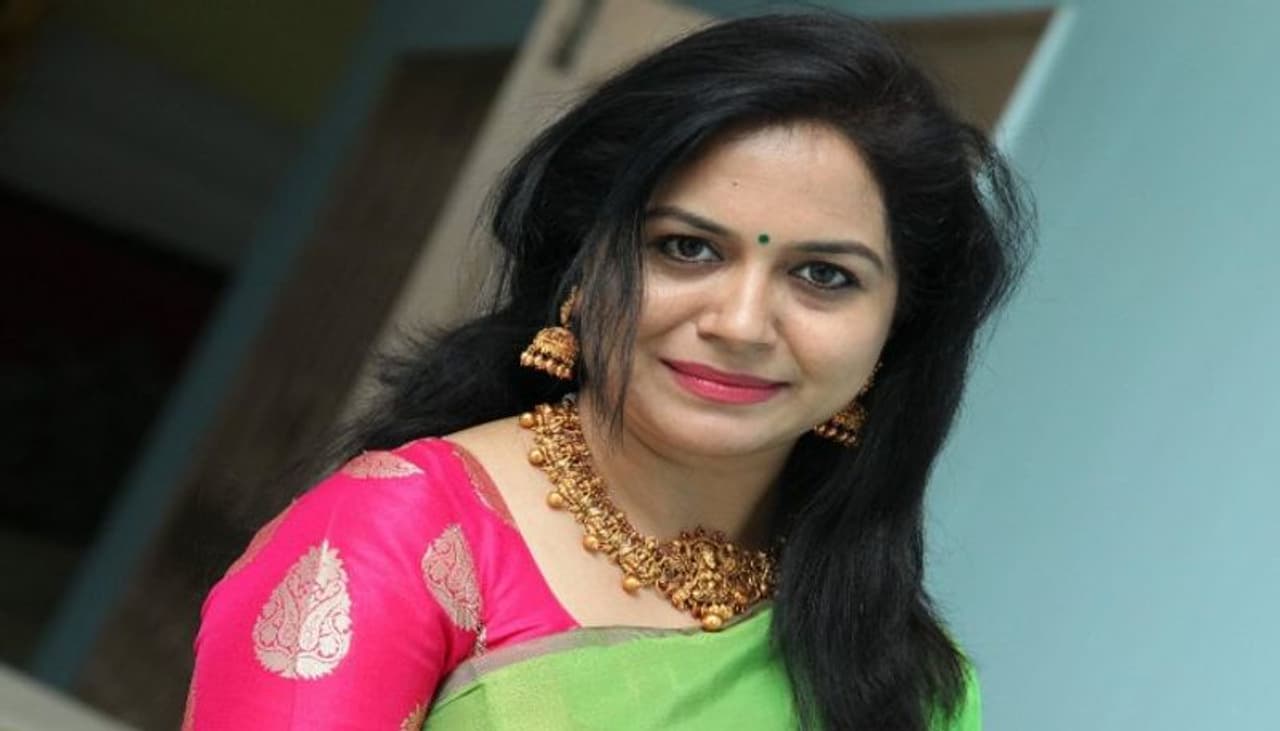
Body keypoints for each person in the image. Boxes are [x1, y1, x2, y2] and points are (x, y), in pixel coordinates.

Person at [182, 11, 1031, 731]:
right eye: (686, 248)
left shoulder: (907, 680)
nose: (740, 323)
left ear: (896, 327)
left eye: (823, 275)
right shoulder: (394, 537)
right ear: (580, 268)